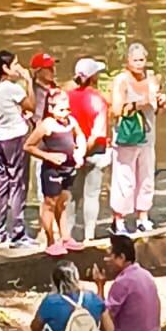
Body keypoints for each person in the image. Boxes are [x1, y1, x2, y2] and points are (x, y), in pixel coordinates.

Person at [110, 42, 166, 234]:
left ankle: (143, 216)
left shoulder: (152, 79)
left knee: (146, 177)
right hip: (126, 136)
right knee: (124, 178)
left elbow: (162, 111)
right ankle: (119, 219)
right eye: (135, 60)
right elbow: (116, 110)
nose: (138, 64)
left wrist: (162, 102)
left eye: (141, 59)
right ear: (127, 61)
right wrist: (140, 103)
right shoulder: (121, 81)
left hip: (148, 135)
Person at [24, 88, 86, 255]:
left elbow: (80, 135)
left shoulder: (71, 121)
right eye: (61, 110)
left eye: (67, 109)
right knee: (50, 203)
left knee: (63, 202)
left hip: (69, 168)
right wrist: (48, 156)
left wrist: (80, 152)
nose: (65, 113)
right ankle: (51, 240)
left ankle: (65, 238)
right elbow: (28, 146)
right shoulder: (46, 125)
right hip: (52, 170)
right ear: (51, 109)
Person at [24, 260, 113, 331]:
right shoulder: (92, 297)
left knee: (25, 330)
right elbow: (110, 329)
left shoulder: (50, 302)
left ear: (54, 281)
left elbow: (35, 328)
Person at [0, 50, 36, 248]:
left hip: (0, 138)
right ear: (6, 68)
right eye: (15, 64)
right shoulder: (12, 88)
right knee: (18, 184)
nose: (20, 67)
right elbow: (31, 106)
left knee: (2, 185)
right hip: (15, 139)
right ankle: (17, 233)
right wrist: (29, 81)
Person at [64, 57, 110, 242]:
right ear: (93, 77)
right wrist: (85, 151)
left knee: (72, 197)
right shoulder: (98, 100)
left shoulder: (67, 96)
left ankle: (68, 235)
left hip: (72, 151)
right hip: (94, 152)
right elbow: (98, 132)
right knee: (91, 195)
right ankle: (89, 236)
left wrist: (76, 152)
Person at [102, 232, 161, 331]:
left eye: (109, 255)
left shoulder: (123, 282)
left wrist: (99, 287)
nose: (106, 260)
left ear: (121, 258)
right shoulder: (146, 275)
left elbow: (105, 317)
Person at [30, 51, 58, 125]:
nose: (53, 70)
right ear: (37, 71)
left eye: (53, 66)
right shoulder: (33, 92)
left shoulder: (54, 87)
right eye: (48, 68)